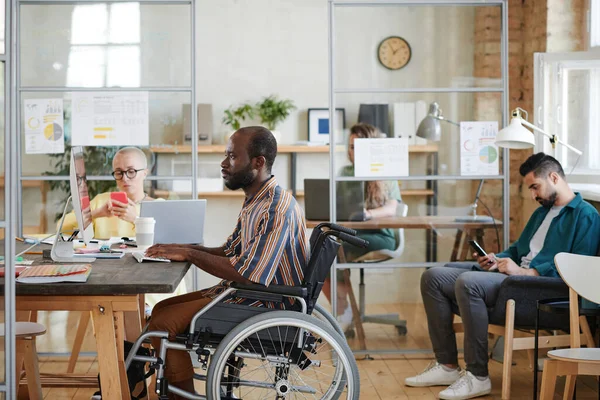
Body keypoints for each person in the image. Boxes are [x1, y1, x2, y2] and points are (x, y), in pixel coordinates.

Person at [405, 153, 600, 400]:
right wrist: (496, 259)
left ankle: (477, 377)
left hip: (542, 292)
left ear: (554, 177)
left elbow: (578, 268)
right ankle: (447, 366)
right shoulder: (542, 213)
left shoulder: (586, 216)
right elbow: (519, 250)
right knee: (433, 277)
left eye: (535, 187)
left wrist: (527, 272)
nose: (533, 195)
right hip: (515, 282)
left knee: (468, 283)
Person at [144, 126, 308, 399]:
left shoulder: (274, 208)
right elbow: (230, 251)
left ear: (258, 163)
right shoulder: (256, 200)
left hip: (263, 302)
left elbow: (248, 274)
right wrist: (183, 248)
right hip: (248, 294)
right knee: (160, 308)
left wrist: (190, 255)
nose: (223, 163)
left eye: (232, 157)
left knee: (163, 325)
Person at [321, 123, 402, 330]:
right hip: (352, 234)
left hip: (381, 236)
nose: (352, 152)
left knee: (336, 250)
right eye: (350, 147)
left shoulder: (384, 172)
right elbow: (336, 203)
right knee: (319, 253)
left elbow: (392, 207)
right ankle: (344, 310)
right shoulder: (345, 172)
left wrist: (368, 214)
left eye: (357, 147)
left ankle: (345, 314)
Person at [62, 146, 155, 240]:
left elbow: (164, 240)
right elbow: (62, 228)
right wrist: (96, 213)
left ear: (145, 173)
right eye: (119, 173)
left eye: (131, 172)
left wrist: (136, 220)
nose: (124, 178)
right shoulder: (101, 201)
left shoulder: (157, 205)